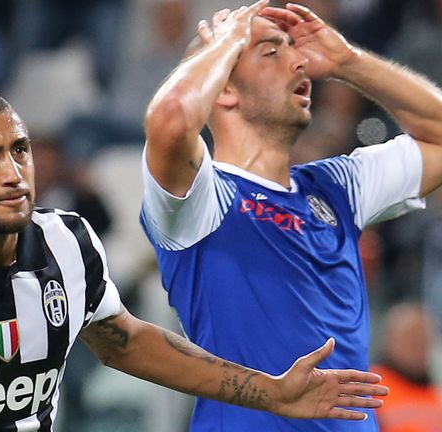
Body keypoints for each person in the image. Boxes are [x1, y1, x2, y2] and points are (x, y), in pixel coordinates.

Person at [0, 76, 387, 432]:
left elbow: (124, 341)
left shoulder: (67, 242)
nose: (13, 172)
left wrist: (270, 393)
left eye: (19, 150)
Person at [140, 1, 442, 431]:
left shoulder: (337, 187)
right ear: (223, 89)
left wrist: (348, 62)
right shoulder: (200, 198)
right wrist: (224, 41)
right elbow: (170, 120)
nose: (299, 61)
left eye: (293, 49)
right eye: (271, 52)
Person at [372, 302, 442, 431]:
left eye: (423, 341)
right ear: (390, 340)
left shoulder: (436, 394)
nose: (418, 349)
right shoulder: (371, 386)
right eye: (412, 340)